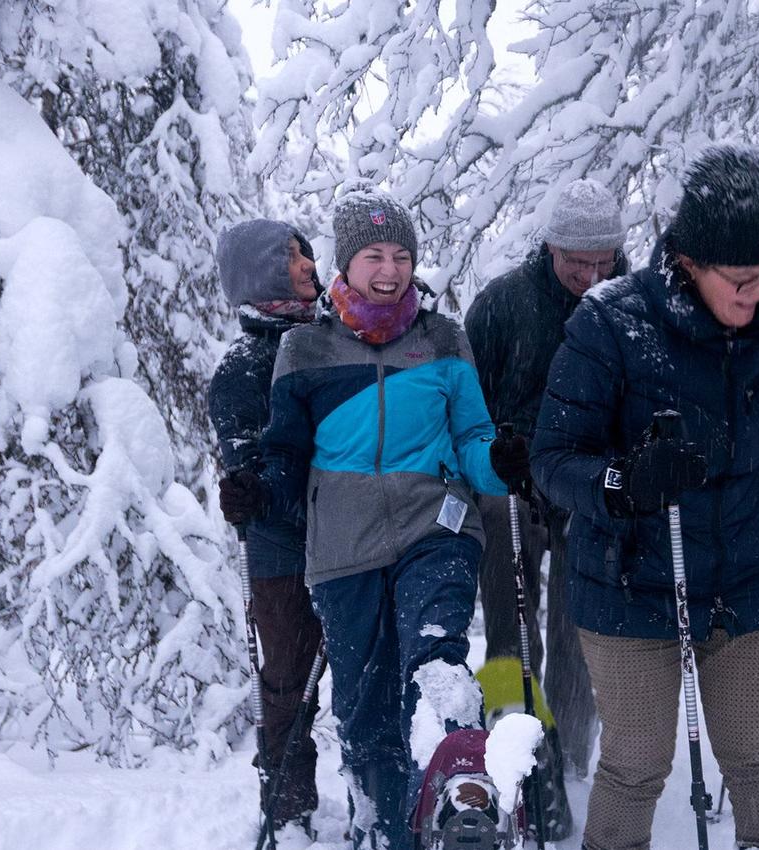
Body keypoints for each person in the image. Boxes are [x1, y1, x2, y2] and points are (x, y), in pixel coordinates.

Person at [530, 143, 759, 850]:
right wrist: (622, 481)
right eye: (744, 279)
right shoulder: (612, 324)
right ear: (691, 262)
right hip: (633, 582)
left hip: (750, 574)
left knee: (758, 756)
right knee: (639, 762)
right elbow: (553, 458)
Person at [217, 190, 533, 850]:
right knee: (366, 716)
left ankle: (467, 796)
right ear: (347, 263)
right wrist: (255, 491)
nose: (389, 269)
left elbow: (472, 437)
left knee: (438, 654)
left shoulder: (443, 337)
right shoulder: (304, 348)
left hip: (435, 526)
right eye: (373, 255)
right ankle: (387, 824)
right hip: (343, 549)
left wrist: (498, 462)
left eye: (401, 255)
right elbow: (286, 456)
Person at [464, 177, 629, 837]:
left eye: (602, 261)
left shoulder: (628, 303)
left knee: (578, 630)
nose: (590, 276)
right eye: (576, 262)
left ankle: (569, 760)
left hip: (591, 486)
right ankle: (515, 744)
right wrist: (492, 447)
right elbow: (465, 400)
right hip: (514, 484)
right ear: (551, 246)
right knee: (513, 627)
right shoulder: (504, 304)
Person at [209, 219, 326, 838]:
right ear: (261, 274)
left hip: (353, 534)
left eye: (306, 251)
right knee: (287, 684)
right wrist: (252, 492)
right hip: (283, 553)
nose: (309, 263)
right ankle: (288, 804)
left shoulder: (336, 335)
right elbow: (253, 474)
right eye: (291, 256)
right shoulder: (243, 368)